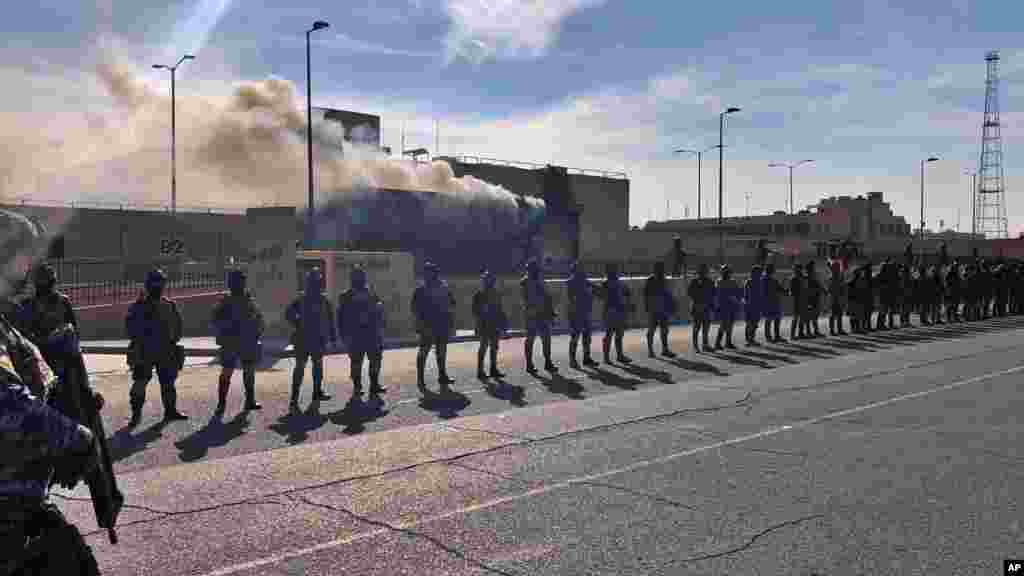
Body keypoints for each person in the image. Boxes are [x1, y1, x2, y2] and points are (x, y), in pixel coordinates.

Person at [0, 311, 104, 576]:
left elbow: (27, 375)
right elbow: (8, 400)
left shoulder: (6, 322)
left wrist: (69, 396)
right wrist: (76, 436)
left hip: (22, 496)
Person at [125, 269, 186, 427]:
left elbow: (178, 326)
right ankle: (136, 415)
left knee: (168, 383)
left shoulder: (168, 304)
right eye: (155, 283)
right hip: (144, 350)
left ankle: (170, 411)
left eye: (160, 283)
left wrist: (173, 340)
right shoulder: (138, 306)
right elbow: (130, 329)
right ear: (148, 285)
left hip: (165, 349)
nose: (158, 287)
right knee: (140, 383)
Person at [211, 269, 265, 415]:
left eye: (241, 281)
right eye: (237, 281)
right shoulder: (225, 301)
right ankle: (221, 404)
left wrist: (257, 332)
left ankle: (250, 401)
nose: (240, 284)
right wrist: (227, 327)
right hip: (231, 342)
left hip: (246, 341)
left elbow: (258, 317)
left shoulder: (248, 300)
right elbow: (215, 320)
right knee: (228, 372)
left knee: (248, 371)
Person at [286, 268, 336, 412]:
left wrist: (332, 337)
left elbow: (330, 319)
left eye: (317, 282)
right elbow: (289, 313)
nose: (316, 284)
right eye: (314, 282)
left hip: (317, 339)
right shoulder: (301, 299)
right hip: (303, 338)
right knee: (301, 368)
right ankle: (294, 399)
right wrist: (298, 321)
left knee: (317, 366)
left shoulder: (324, 300)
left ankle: (317, 392)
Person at [337, 267, 386, 400]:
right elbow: (340, 317)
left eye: (361, 277)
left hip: (372, 334)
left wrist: (380, 327)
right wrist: (343, 336)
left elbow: (379, 310)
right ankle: (357, 387)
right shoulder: (345, 296)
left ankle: (374, 385)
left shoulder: (371, 293)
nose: (360, 280)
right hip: (355, 335)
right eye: (357, 277)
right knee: (356, 363)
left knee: (375, 360)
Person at [412, 262, 456, 393]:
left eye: (431, 272)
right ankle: (420, 379)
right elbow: (414, 308)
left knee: (441, 351)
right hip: (427, 325)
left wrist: (448, 317)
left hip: (441, 324)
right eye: (427, 272)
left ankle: (442, 376)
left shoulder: (443, 287)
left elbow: (452, 303)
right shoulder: (421, 289)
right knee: (424, 351)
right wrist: (421, 321)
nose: (429, 275)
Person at [19, 264, 78, 356]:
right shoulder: (27, 303)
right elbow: (23, 331)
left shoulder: (63, 300)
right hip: (39, 350)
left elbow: (73, 326)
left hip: (62, 349)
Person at [521, 261, 558, 373]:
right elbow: (526, 298)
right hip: (532, 313)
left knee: (546, 338)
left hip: (542, 314)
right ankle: (529, 364)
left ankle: (547, 362)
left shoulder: (540, 281)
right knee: (530, 339)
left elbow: (547, 297)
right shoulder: (525, 282)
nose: (536, 272)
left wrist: (551, 312)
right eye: (534, 270)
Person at [471, 270, 507, 379]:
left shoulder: (496, 293)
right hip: (484, 323)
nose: (489, 282)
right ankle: (480, 371)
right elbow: (475, 311)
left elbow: (500, 309)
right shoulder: (479, 294)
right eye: (487, 280)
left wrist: (503, 322)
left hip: (494, 323)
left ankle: (493, 369)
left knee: (494, 347)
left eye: (491, 280)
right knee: (484, 346)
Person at [597, 263, 632, 363]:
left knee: (617, 334)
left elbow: (627, 294)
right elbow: (627, 294)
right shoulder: (610, 284)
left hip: (615, 310)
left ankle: (615, 356)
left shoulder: (613, 283)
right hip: (612, 311)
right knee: (613, 334)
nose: (614, 272)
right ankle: (610, 357)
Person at [566, 262, 598, 369]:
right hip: (576, 313)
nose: (583, 271)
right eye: (580, 269)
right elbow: (571, 298)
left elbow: (594, 291)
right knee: (575, 337)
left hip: (585, 312)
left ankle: (587, 358)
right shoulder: (571, 282)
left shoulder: (586, 281)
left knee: (587, 337)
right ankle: (572, 359)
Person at [644, 262, 677, 357]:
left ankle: (665, 349)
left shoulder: (664, 280)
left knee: (664, 330)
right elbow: (646, 295)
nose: (661, 271)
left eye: (662, 269)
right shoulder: (651, 280)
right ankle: (650, 350)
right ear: (655, 270)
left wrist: (671, 303)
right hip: (654, 308)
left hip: (663, 308)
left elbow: (667, 293)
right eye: (659, 269)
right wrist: (648, 307)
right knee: (652, 329)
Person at [687, 263, 715, 353]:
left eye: (704, 271)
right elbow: (690, 293)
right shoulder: (694, 281)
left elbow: (713, 294)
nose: (703, 273)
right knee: (697, 327)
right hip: (697, 307)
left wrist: (711, 305)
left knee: (706, 328)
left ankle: (705, 345)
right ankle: (696, 346)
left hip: (706, 307)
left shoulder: (709, 282)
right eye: (702, 271)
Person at [714, 265, 741, 350]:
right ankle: (717, 343)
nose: (727, 273)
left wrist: (737, 300)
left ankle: (728, 342)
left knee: (730, 325)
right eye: (725, 272)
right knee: (723, 325)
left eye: (728, 272)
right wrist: (717, 305)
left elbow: (737, 292)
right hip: (723, 306)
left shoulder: (732, 281)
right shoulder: (719, 282)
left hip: (731, 305)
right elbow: (717, 295)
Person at [762, 263, 786, 343]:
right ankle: (769, 337)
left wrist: (784, 287)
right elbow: (781, 289)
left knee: (776, 319)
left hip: (774, 302)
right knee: (770, 320)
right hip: (769, 302)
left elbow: (780, 289)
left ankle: (776, 336)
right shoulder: (764, 280)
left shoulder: (773, 280)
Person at [743, 264, 764, 346]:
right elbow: (746, 295)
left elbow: (761, 294)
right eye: (759, 272)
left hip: (757, 305)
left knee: (755, 323)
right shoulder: (749, 282)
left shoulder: (760, 281)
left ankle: (752, 339)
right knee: (750, 323)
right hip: (750, 305)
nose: (760, 274)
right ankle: (748, 340)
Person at [803, 261, 824, 338]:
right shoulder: (806, 277)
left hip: (815, 298)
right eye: (812, 268)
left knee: (814, 316)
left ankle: (815, 331)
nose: (813, 269)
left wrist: (821, 290)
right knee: (809, 316)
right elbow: (807, 289)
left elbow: (819, 286)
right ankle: (809, 332)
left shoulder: (813, 277)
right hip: (809, 298)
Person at [827, 259, 846, 336]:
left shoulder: (838, 276)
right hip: (833, 297)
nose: (838, 269)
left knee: (839, 314)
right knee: (833, 314)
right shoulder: (832, 277)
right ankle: (832, 330)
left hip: (838, 297)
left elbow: (841, 287)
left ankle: (839, 329)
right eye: (837, 267)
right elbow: (831, 288)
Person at [789, 264, 806, 340]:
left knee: (802, 317)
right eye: (797, 269)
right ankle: (792, 335)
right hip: (796, 299)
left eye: (800, 269)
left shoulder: (802, 277)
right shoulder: (793, 279)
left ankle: (800, 333)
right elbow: (792, 291)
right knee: (795, 317)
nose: (799, 270)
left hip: (802, 298)